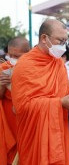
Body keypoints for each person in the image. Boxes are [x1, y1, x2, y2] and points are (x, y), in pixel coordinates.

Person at [11, 19, 69, 164]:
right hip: (35, 137)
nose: (63, 46)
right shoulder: (25, 65)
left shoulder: (58, 64)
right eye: (60, 40)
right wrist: (59, 103)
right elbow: (21, 106)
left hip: (59, 131)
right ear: (44, 38)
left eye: (65, 41)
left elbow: (63, 95)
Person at [0, 37, 30, 165]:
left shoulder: (34, 68)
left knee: (27, 151)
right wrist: (1, 85)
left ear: (28, 54)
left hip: (27, 115)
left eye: (16, 56)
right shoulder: (4, 67)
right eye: (10, 55)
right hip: (8, 118)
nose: (12, 58)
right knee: (10, 152)